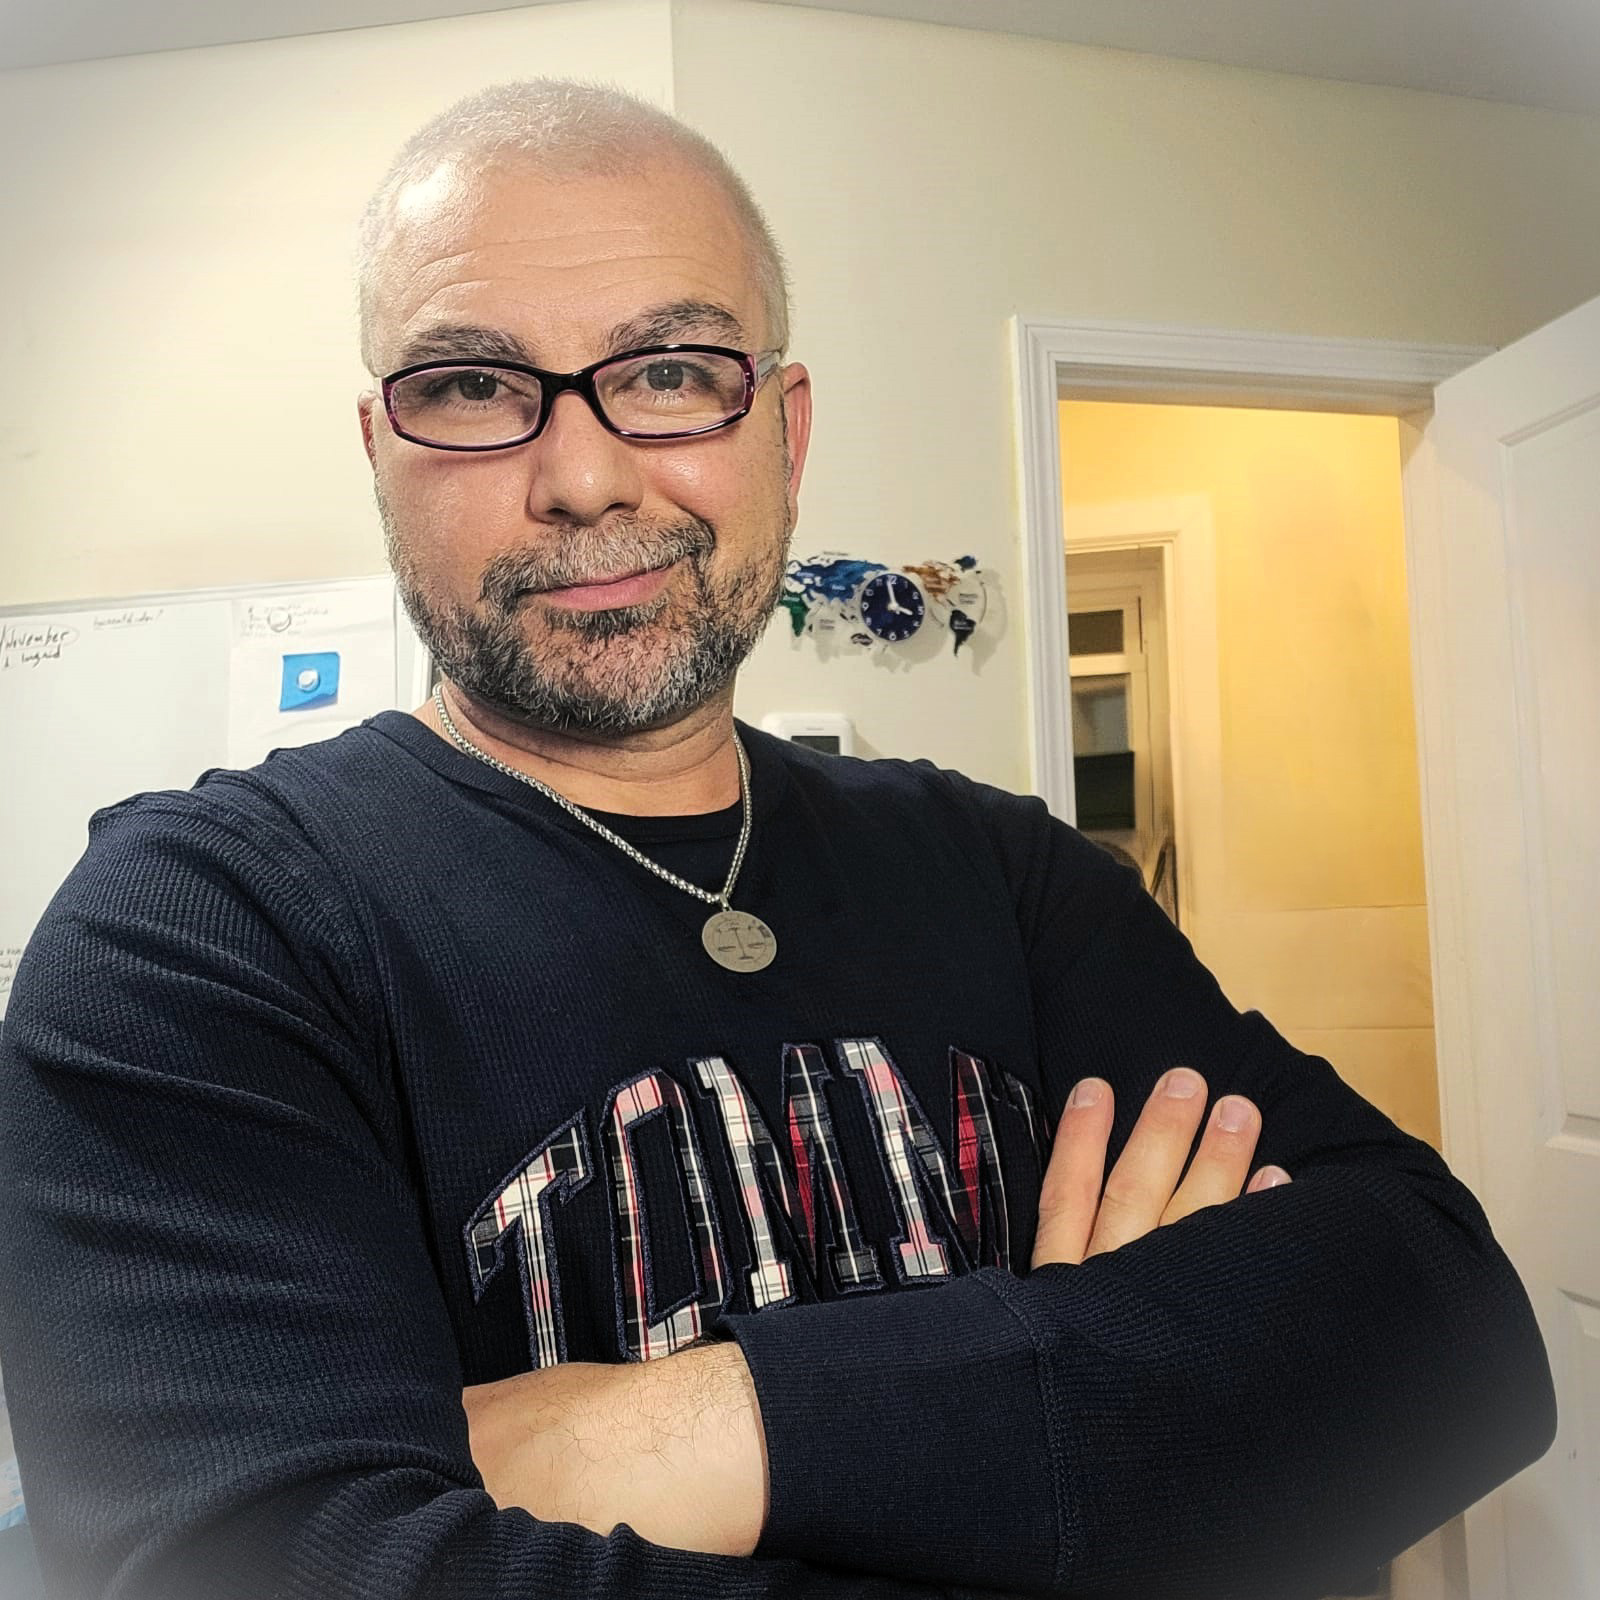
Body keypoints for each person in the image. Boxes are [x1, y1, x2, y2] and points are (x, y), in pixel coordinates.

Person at [0, 78, 1555, 1600]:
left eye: (672, 370)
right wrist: (1118, 1425)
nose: (584, 478)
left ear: (785, 433)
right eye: (472, 389)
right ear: (380, 449)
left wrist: (692, 1431)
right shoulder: (198, 937)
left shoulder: (1010, 878)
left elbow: (1451, 1334)